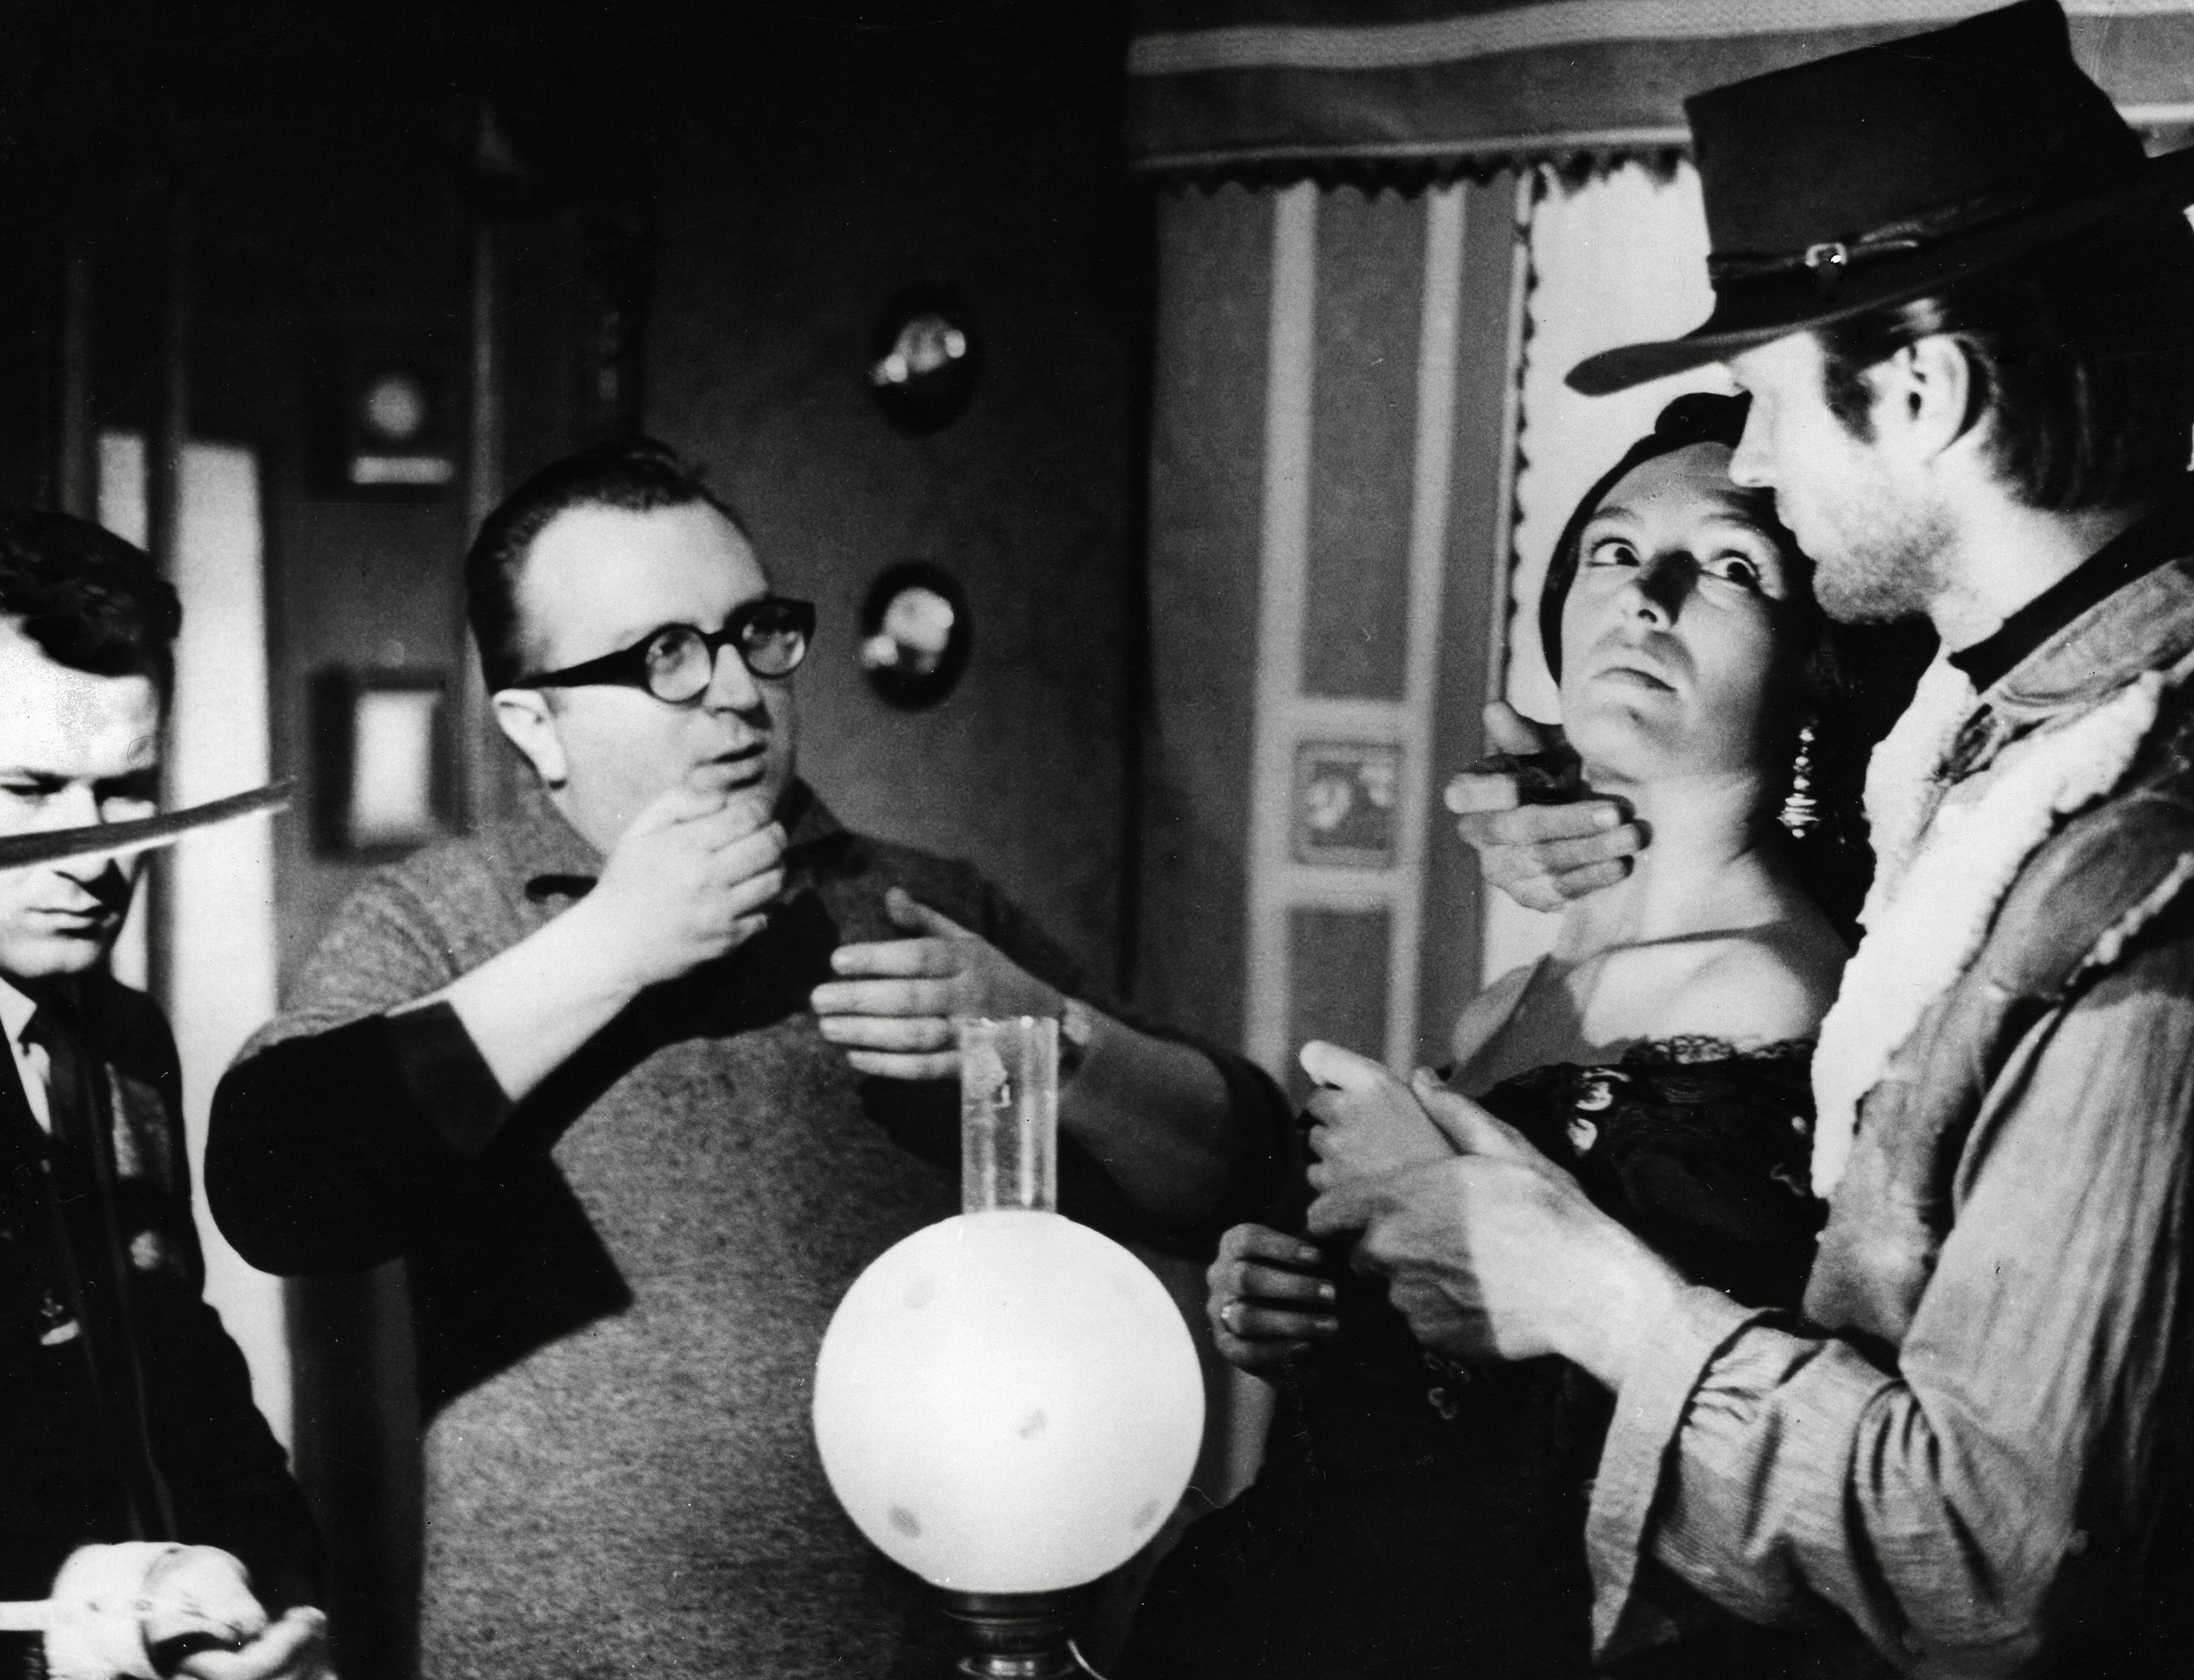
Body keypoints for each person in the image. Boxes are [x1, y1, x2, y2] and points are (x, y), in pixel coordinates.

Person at [1312, 4, 2194, 1676]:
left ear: (1922, 386)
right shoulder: (1994, 738)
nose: (1764, 470)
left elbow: (1994, 1567)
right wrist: (1605, 813)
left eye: (1774, 403)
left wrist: (1577, 1286)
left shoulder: (2141, 867)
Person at [204, 439, 1295, 1680]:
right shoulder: (444, 919)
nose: (734, 691)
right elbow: (271, 1185)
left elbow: (1241, 1170)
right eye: (664, 654)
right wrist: (612, 944)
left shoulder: (927, 907)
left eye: (755, 633)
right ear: (535, 723)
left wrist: (1057, 1041)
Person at [1122, 394, 1857, 1679]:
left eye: (1732, 566)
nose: (1649, 596)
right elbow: (1436, 1373)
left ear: (1811, 661)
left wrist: (1424, 1199)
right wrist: (1309, 1308)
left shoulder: (1770, 998)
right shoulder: (1499, 1005)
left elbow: (1646, 1472)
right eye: (1613, 552)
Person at [0, 511, 327, 1680]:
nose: (93, 851)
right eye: (30, 789)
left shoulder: (124, 1041)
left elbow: (177, 1367)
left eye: (128, 789)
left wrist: (280, 1599)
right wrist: (104, 1620)